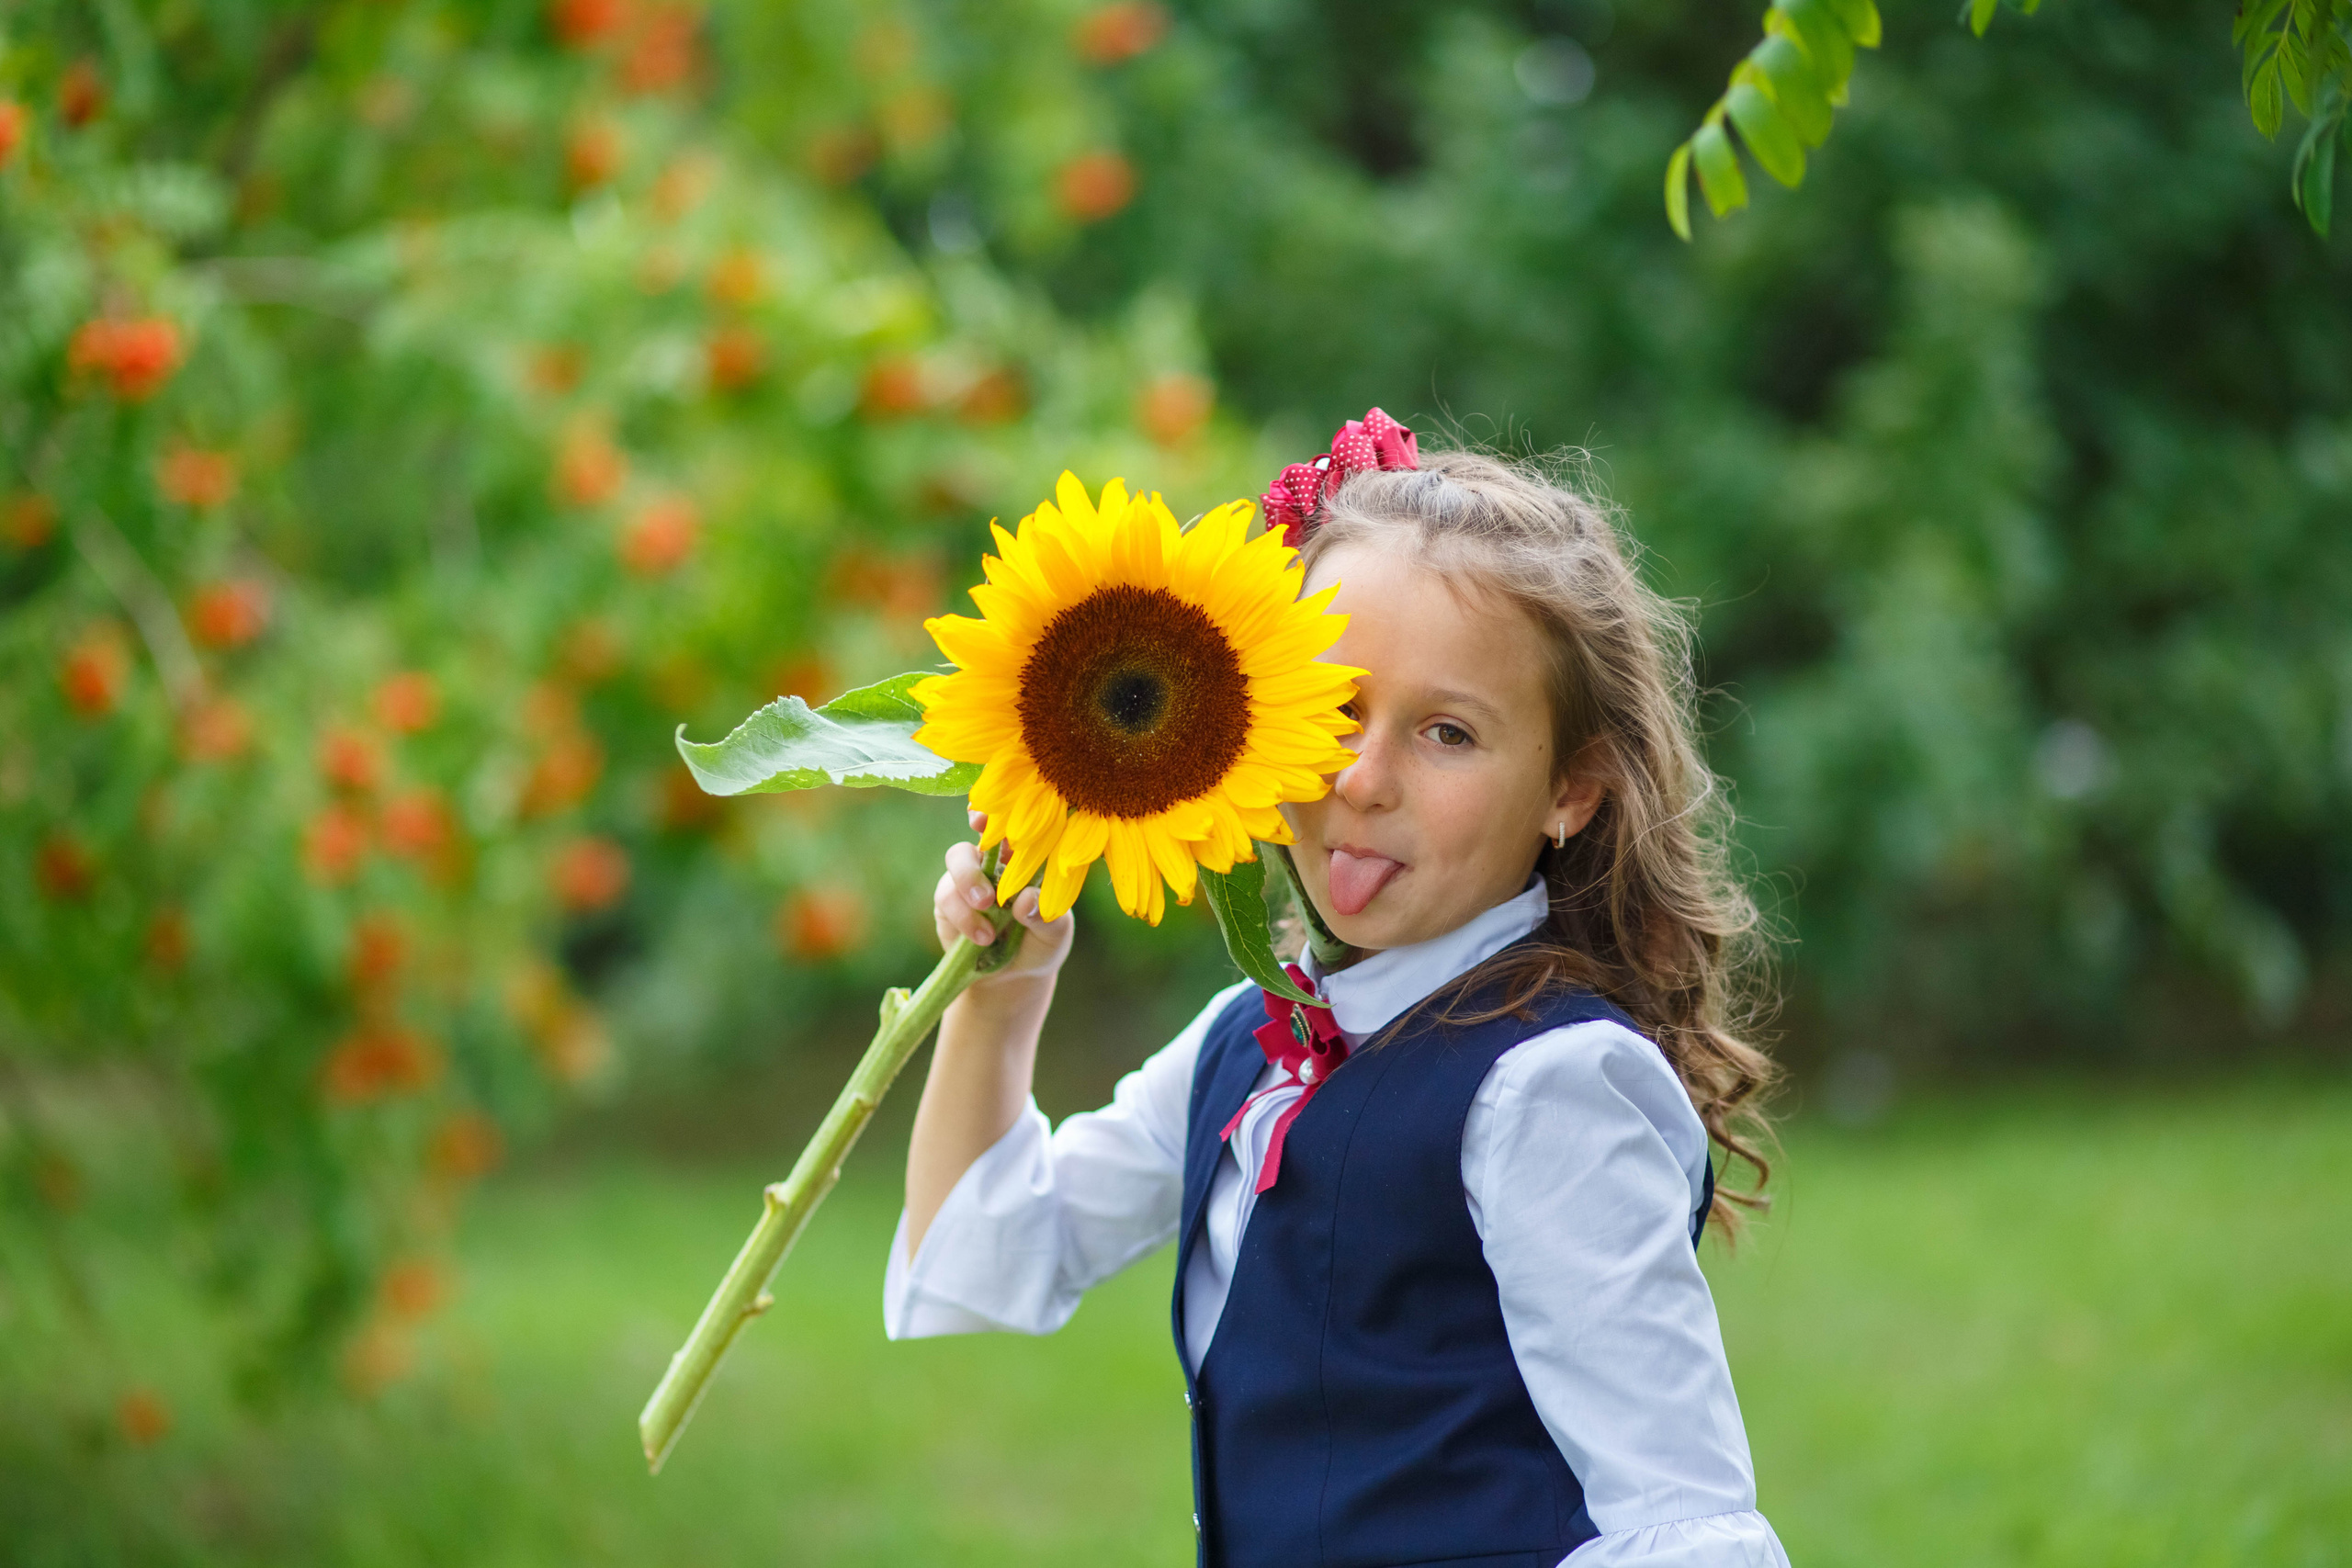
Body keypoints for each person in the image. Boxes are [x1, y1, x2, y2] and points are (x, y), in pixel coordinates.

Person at [892, 415, 1788, 1568]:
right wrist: (1004, 994)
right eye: (1336, 710)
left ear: (1570, 789)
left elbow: (1685, 1520)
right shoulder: (1248, 1042)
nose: (1364, 780)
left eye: (1448, 733)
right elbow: (983, 1261)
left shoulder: (1550, 1084)